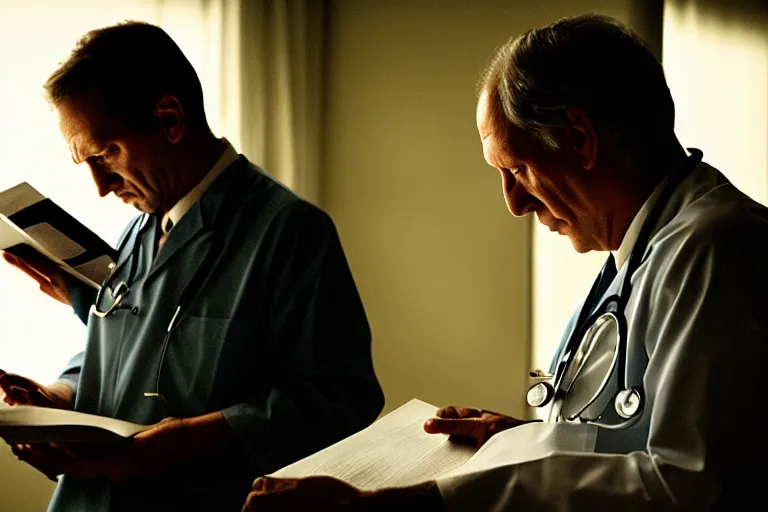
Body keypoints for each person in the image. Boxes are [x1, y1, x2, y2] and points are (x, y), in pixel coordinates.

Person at [243, 13, 768, 511]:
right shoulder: (644, 251)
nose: (514, 204)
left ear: (580, 139)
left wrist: (420, 503)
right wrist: (527, 438)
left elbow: (687, 486)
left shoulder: (715, 249)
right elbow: (634, 441)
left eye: (516, 168)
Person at [0, 21, 384, 511]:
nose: (100, 186)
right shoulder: (138, 231)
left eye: (107, 154)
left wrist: (186, 441)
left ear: (170, 119)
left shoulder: (289, 232)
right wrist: (57, 399)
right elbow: (123, 358)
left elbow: (340, 399)